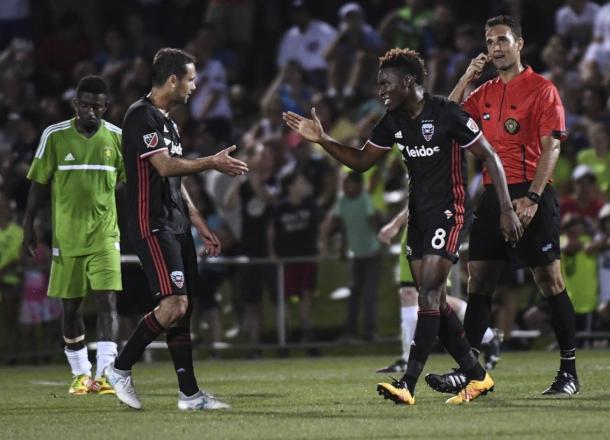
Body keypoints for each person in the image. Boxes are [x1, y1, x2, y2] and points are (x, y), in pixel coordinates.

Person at [283, 47, 522, 405]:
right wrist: (323, 140)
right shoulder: (392, 120)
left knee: (427, 292)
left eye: (386, 83)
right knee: (436, 304)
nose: (381, 91)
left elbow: (489, 155)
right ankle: (478, 376)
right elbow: (363, 162)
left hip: (449, 212)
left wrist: (506, 208)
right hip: (419, 217)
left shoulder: (447, 113)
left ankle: (408, 384)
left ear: (408, 81)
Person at [426, 15, 581, 396]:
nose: (496, 47)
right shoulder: (485, 94)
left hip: (532, 192)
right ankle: (471, 372)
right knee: (480, 277)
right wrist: (466, 79)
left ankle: (568, 372)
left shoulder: (543, 90)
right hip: (494, 194)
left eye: (502, 40)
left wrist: (532, 197)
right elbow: (444, 119)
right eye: (490, 41)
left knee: (549, 280)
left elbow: (553, 146)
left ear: (519, 44)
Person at [102, 48, 248, 411]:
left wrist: (197, 220)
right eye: (191, 78)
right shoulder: (140, 116)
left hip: (177, 223)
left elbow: (176, 178)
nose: (195, 85)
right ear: (172, 80)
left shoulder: (167, 121)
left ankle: (190, 395)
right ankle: (119, 368)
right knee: (174, 304)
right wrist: (212, 162)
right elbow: (166, 167)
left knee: (185, 309)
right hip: (151, 222)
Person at [22, 75, 123, 394]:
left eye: (97, 106)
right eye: (84, 105)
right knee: (71, 308)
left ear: (106, 107)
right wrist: (29, 226)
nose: (90, 111)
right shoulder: (54, 136)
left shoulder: (118, 138)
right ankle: (81, 374)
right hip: (66, 240)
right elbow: (38, 184)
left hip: (105, 236)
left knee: (107, 301)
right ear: (74, 105)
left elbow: (129, 184)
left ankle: (106, 373)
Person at [375, 206, 502, 373]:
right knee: (410, 295)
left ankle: (486, 334)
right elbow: (416, 197)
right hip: (414, 232)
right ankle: (407, 358)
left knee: (434, 298)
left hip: (436, 230)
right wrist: (397, 224)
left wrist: (395, 225)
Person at [320, 171, 382, 341]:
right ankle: (350, 331)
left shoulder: (365, 200)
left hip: (371, 254)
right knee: (354, 294)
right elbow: (343, 227)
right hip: (356, 255)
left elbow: (372, 221)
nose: (346, 186)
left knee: (369, 294)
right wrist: (342, 249)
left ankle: (370, 332)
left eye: (349, 183)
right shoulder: (343, 202)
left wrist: (379, 243)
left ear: (359, 185)